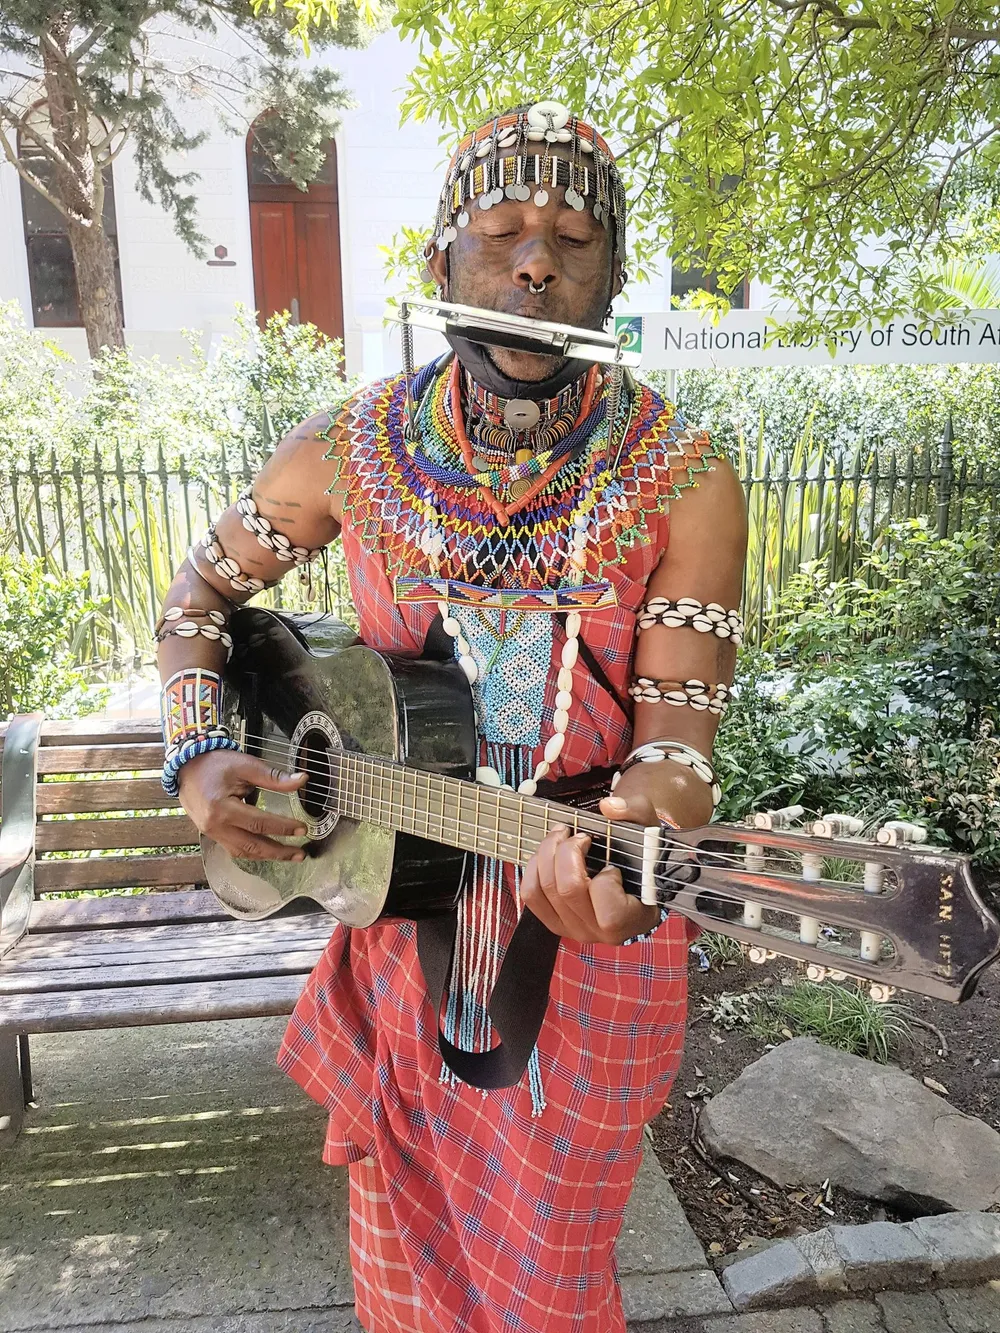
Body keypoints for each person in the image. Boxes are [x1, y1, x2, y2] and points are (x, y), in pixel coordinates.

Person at [156, 99, 747, 1333]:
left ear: (610, 278)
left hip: (582, 956)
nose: (536, 264)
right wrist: (201, 752)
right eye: (503, 232)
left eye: (573, 240)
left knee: (549, 1292)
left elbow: (677, 741)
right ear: (442, 261)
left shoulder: (683, 476)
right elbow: (199, 597)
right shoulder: (350, 448)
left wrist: (646, 841)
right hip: (398, 930)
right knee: (403, 1280)